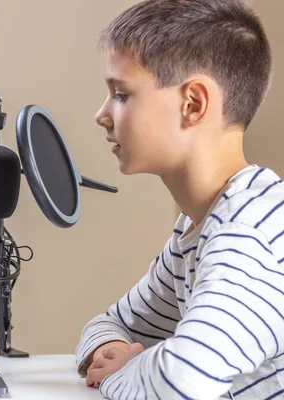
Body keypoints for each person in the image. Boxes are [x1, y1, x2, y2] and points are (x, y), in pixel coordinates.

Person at [75, 0, 284, 398]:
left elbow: (178, 384)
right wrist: (115, 350)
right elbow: (108, 324)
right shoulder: (199, 225)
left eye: (121, 94)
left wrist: (128, 367)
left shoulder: (245, 236)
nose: (102, 115)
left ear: (193, 104)